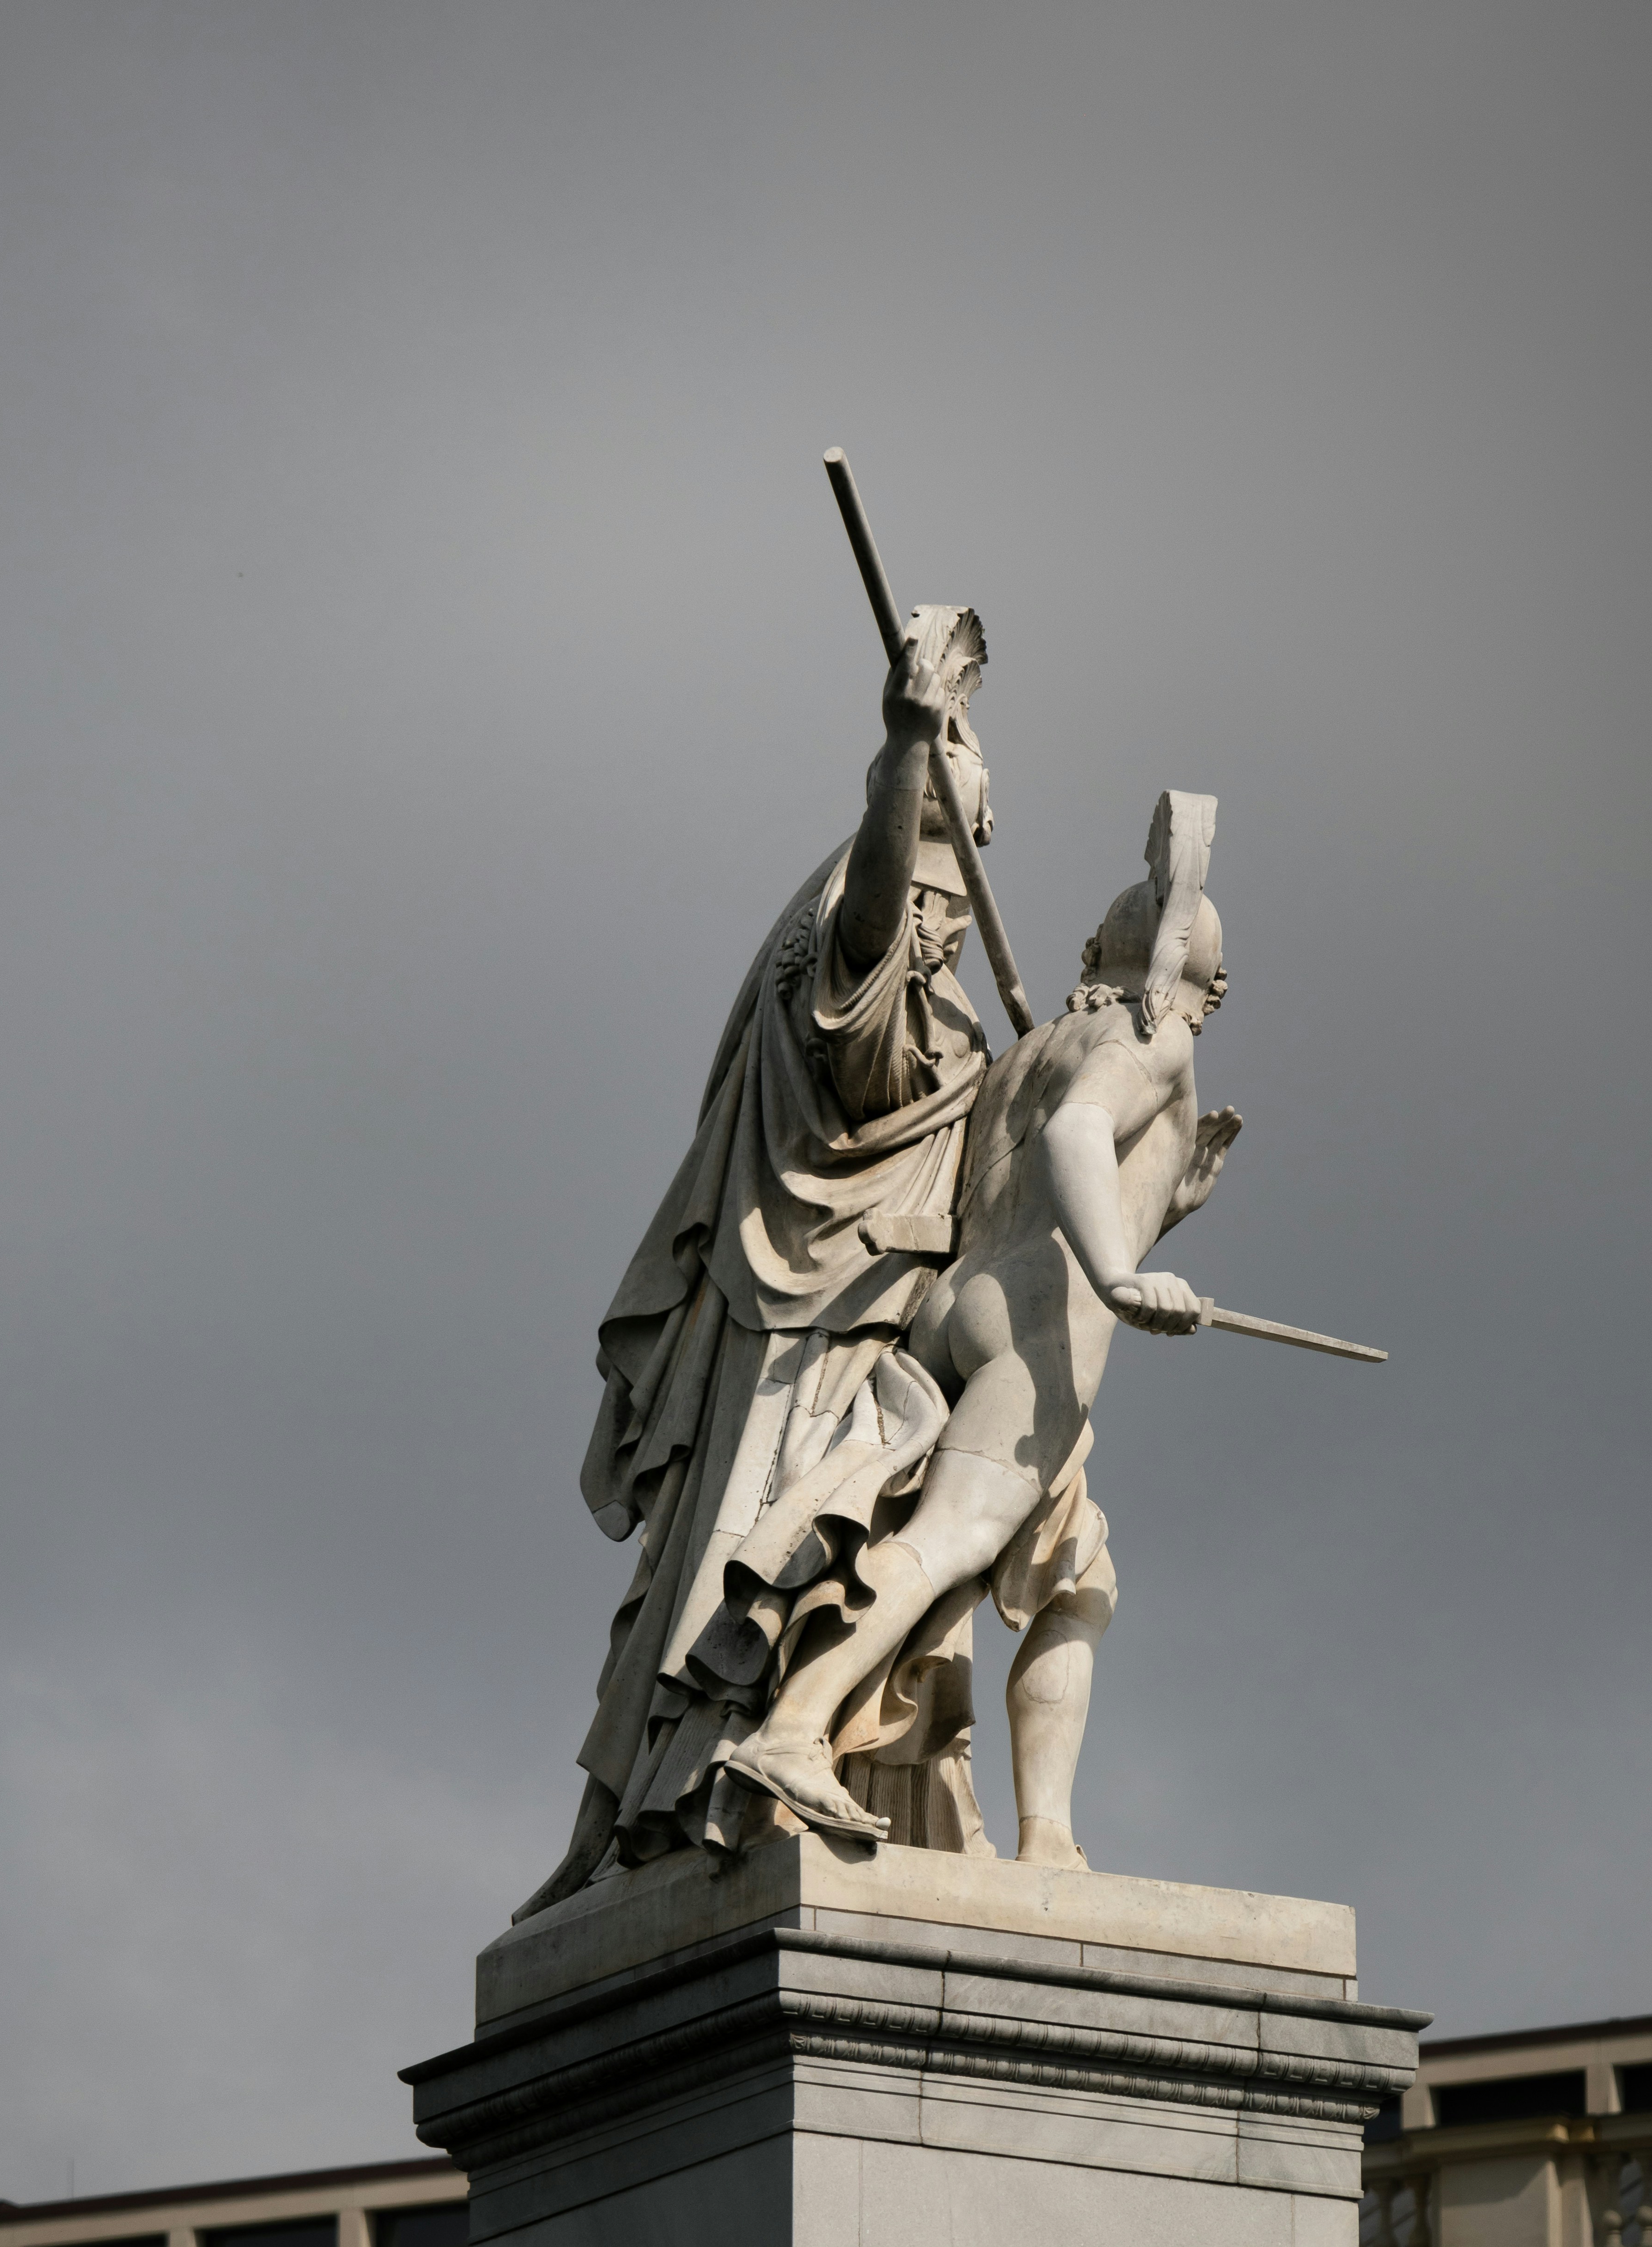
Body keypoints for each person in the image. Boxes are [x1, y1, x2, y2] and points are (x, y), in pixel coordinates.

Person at [518, 608, 1001, 1914]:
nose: (963, 905)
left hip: (834, 1323)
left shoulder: (917, 996)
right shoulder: (867, 976)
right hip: (821, 1335)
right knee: (761, 1566)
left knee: (743, 1573)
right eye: (957, 871)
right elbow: (876, 915)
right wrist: (906, 751)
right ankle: (714, 1787)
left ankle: (666, 1800)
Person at [726, 791, 1239, 1866]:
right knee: (952, 1542)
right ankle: (792, 1728)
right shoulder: (1158, 1041)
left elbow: (1057, 1158)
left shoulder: (1038, 1043)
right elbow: (1080, 1133)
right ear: (1210, 989)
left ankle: (1048, 1841)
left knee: (1079, 1577)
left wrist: (1166, 1204)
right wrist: (1121, 1274)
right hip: (1041, 1335)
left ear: (1098, 947)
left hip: (957, 1313)